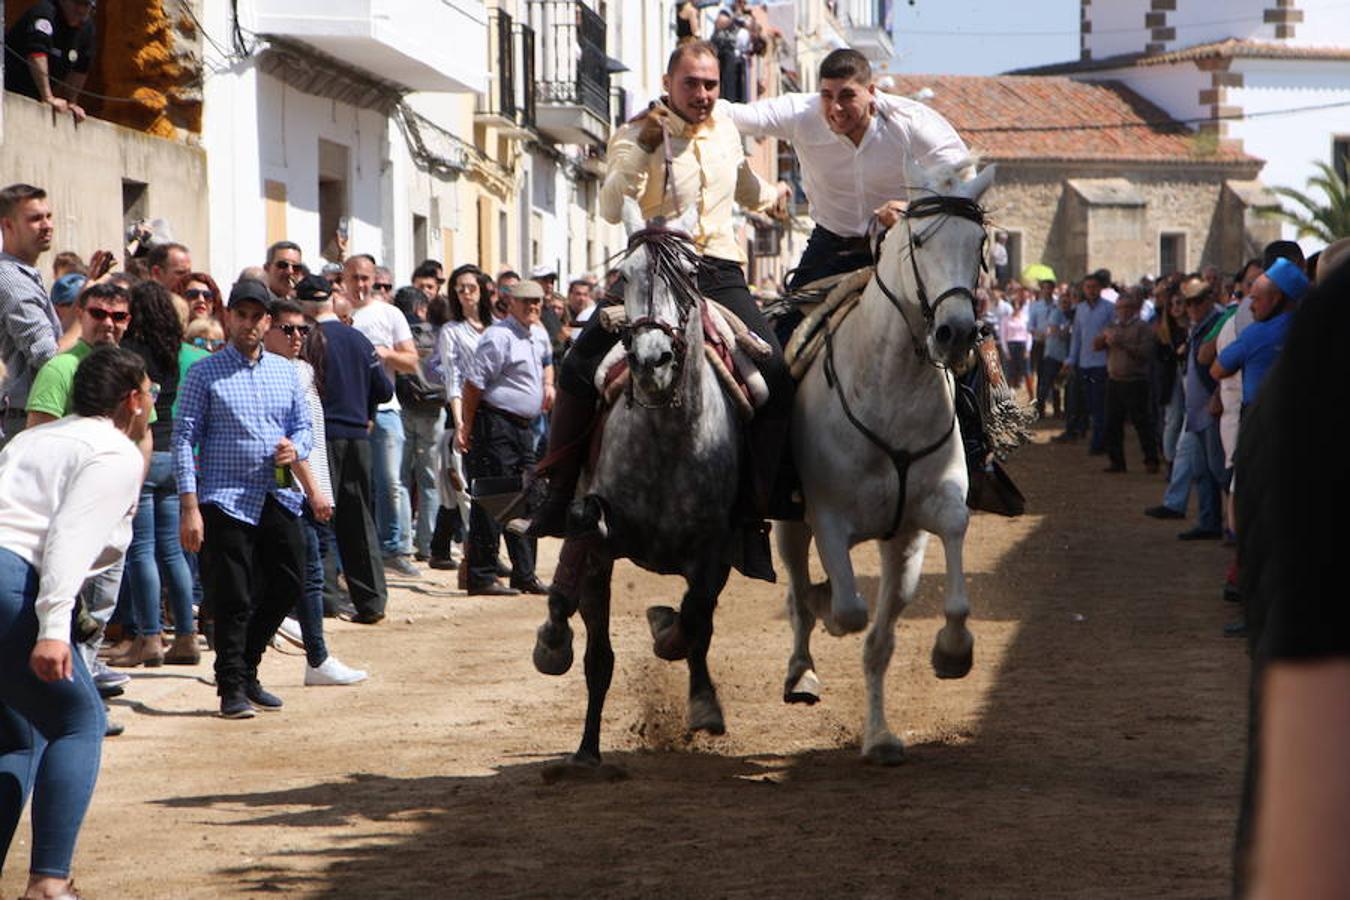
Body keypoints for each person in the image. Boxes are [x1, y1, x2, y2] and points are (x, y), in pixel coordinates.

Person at [524, 41, 788, 582]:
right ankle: (555, 497)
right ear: (669, 83)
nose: (703, 94)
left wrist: (773, 195)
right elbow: (608, 201)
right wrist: (643, 149)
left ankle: (755, 510)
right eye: (692, 83)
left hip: (718, 270)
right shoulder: (637, 131)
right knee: (578, 365)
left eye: (712, 84)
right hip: (654, 263)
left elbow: (740, 184)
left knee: (778, 376)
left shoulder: (725, 131)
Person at [0, 346, 151, 900]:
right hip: (14, 579)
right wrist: (53, 629)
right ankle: (48, 884)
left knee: (16, 737)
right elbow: (67, 539)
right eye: (148, 392)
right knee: (77, 722)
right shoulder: (114, 450)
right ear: (132, 399)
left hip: (11, 577)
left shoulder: (30, 438)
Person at [173, 279, 313, 718]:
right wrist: (190, 506)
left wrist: (297, 448)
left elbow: (304, 426)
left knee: (290, 580)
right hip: (225, 496)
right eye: (242, 315)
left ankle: (247, 668)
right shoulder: (204, 372)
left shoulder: (286, 371)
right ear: (228, 316)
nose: (249, 324)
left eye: (258, 317)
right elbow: (183, 438)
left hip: (276, 493)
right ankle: (230, 685)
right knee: (231, 596)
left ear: (268, 321)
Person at [729, 48, 968, 290]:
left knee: (948, 312)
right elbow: (733, 115)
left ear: (871, 92)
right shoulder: (801, 113)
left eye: (847, 96)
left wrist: (913, 209)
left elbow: (963, 179)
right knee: (785, 324)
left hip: (901, 242)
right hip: (832, 245)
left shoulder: (911, 122)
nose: (836, 108)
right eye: (827, 96)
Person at [261, 299, 367, 686]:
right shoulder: (272, 375)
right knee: (302, 574)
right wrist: (312, 489)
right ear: (268, 328)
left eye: (302, 330)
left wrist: (320, 487)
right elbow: (287, 440)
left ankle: (311, 654)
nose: (296, 337)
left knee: (304, 573)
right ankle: (315, 656)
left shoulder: (302, 370)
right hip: (289, 489)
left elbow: (312, 440)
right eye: (287, 329)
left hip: (311, 485)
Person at [111, 281, 204, 667]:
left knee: (142, 552)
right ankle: (186, 636)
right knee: (173, 552)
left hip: (143, 452)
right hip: (174, 456)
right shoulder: (173, 354)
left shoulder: (129, 354)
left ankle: (149, 638)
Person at [294, 274, 393, 624]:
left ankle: (325, 598)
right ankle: (371, 600)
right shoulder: (358, 339)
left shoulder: (307, 341)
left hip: (323, 438)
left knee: (319, 515)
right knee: (360, 519)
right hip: (357, 437)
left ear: (304, 304)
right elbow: (383, 389)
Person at [456, 280, 552, 596]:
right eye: (525, 302)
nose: (532, 307)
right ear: (510, 303)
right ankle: (481, 575)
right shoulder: (499, 336)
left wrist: (548, 387)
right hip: (495, 424)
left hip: (524, 427)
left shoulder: (537, 334)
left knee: (527, 498)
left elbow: (547, 364)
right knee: (493, 497)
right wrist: (466, 426)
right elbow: (473, 384)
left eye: (537, 301)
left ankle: (525, 573)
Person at [345, 254, 421, 577]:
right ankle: (363, 552)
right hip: (350, 414)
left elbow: (412, 360)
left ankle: (393, 547)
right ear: (345, 279)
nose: (361, 285)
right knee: (356, 486)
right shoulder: (339, 314)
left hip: (387, 410)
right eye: (355, 278)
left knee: (390, 481)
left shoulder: (390, 314)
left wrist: (386, 353)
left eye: (366, 279)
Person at [0, 184, 68, 449]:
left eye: (48, 216)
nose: (47, 225)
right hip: (23, 423)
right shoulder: (12, 280)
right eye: (35, 219)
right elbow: (48, 357)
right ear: (8, 225)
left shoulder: (24, 274)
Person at [3, 0, 96, 123]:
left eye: (86, 5)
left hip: (35, 97)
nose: (81, 10)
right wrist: (47, 97)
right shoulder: (45, 13)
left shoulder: (86, 27)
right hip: (10, 89)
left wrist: (71, 101)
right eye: (77, 3)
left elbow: (81, 67)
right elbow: (36, 53)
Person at [1098, 290, 1159, 474]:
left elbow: (1146, 354)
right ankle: (1116, 461)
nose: (1122, 311)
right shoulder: (1112, 326)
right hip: (1114, 380)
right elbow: (1096, 346)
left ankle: (1151, 459)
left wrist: (1121, 343)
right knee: (1112, 423)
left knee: (1141, 423)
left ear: (1134, 309)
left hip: (1135, 381)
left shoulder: (1142, 328)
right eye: (1119, 308)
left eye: (1126, 308)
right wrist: (1103, 339)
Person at [1059, 270, 1115, 454]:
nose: (1091, 290)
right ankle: (1096, 438)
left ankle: (1099, 443)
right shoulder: (1081, 309)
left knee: (1099, 406)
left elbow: (1113, 334)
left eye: (1094, 287)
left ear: (1100, 288)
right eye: (1088, 287)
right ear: (1084, 289)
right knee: (1088, 404)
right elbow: (1077, 337)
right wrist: (1071, 359)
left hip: (1101, 364)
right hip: (1083, 364)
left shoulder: (1109, 308)